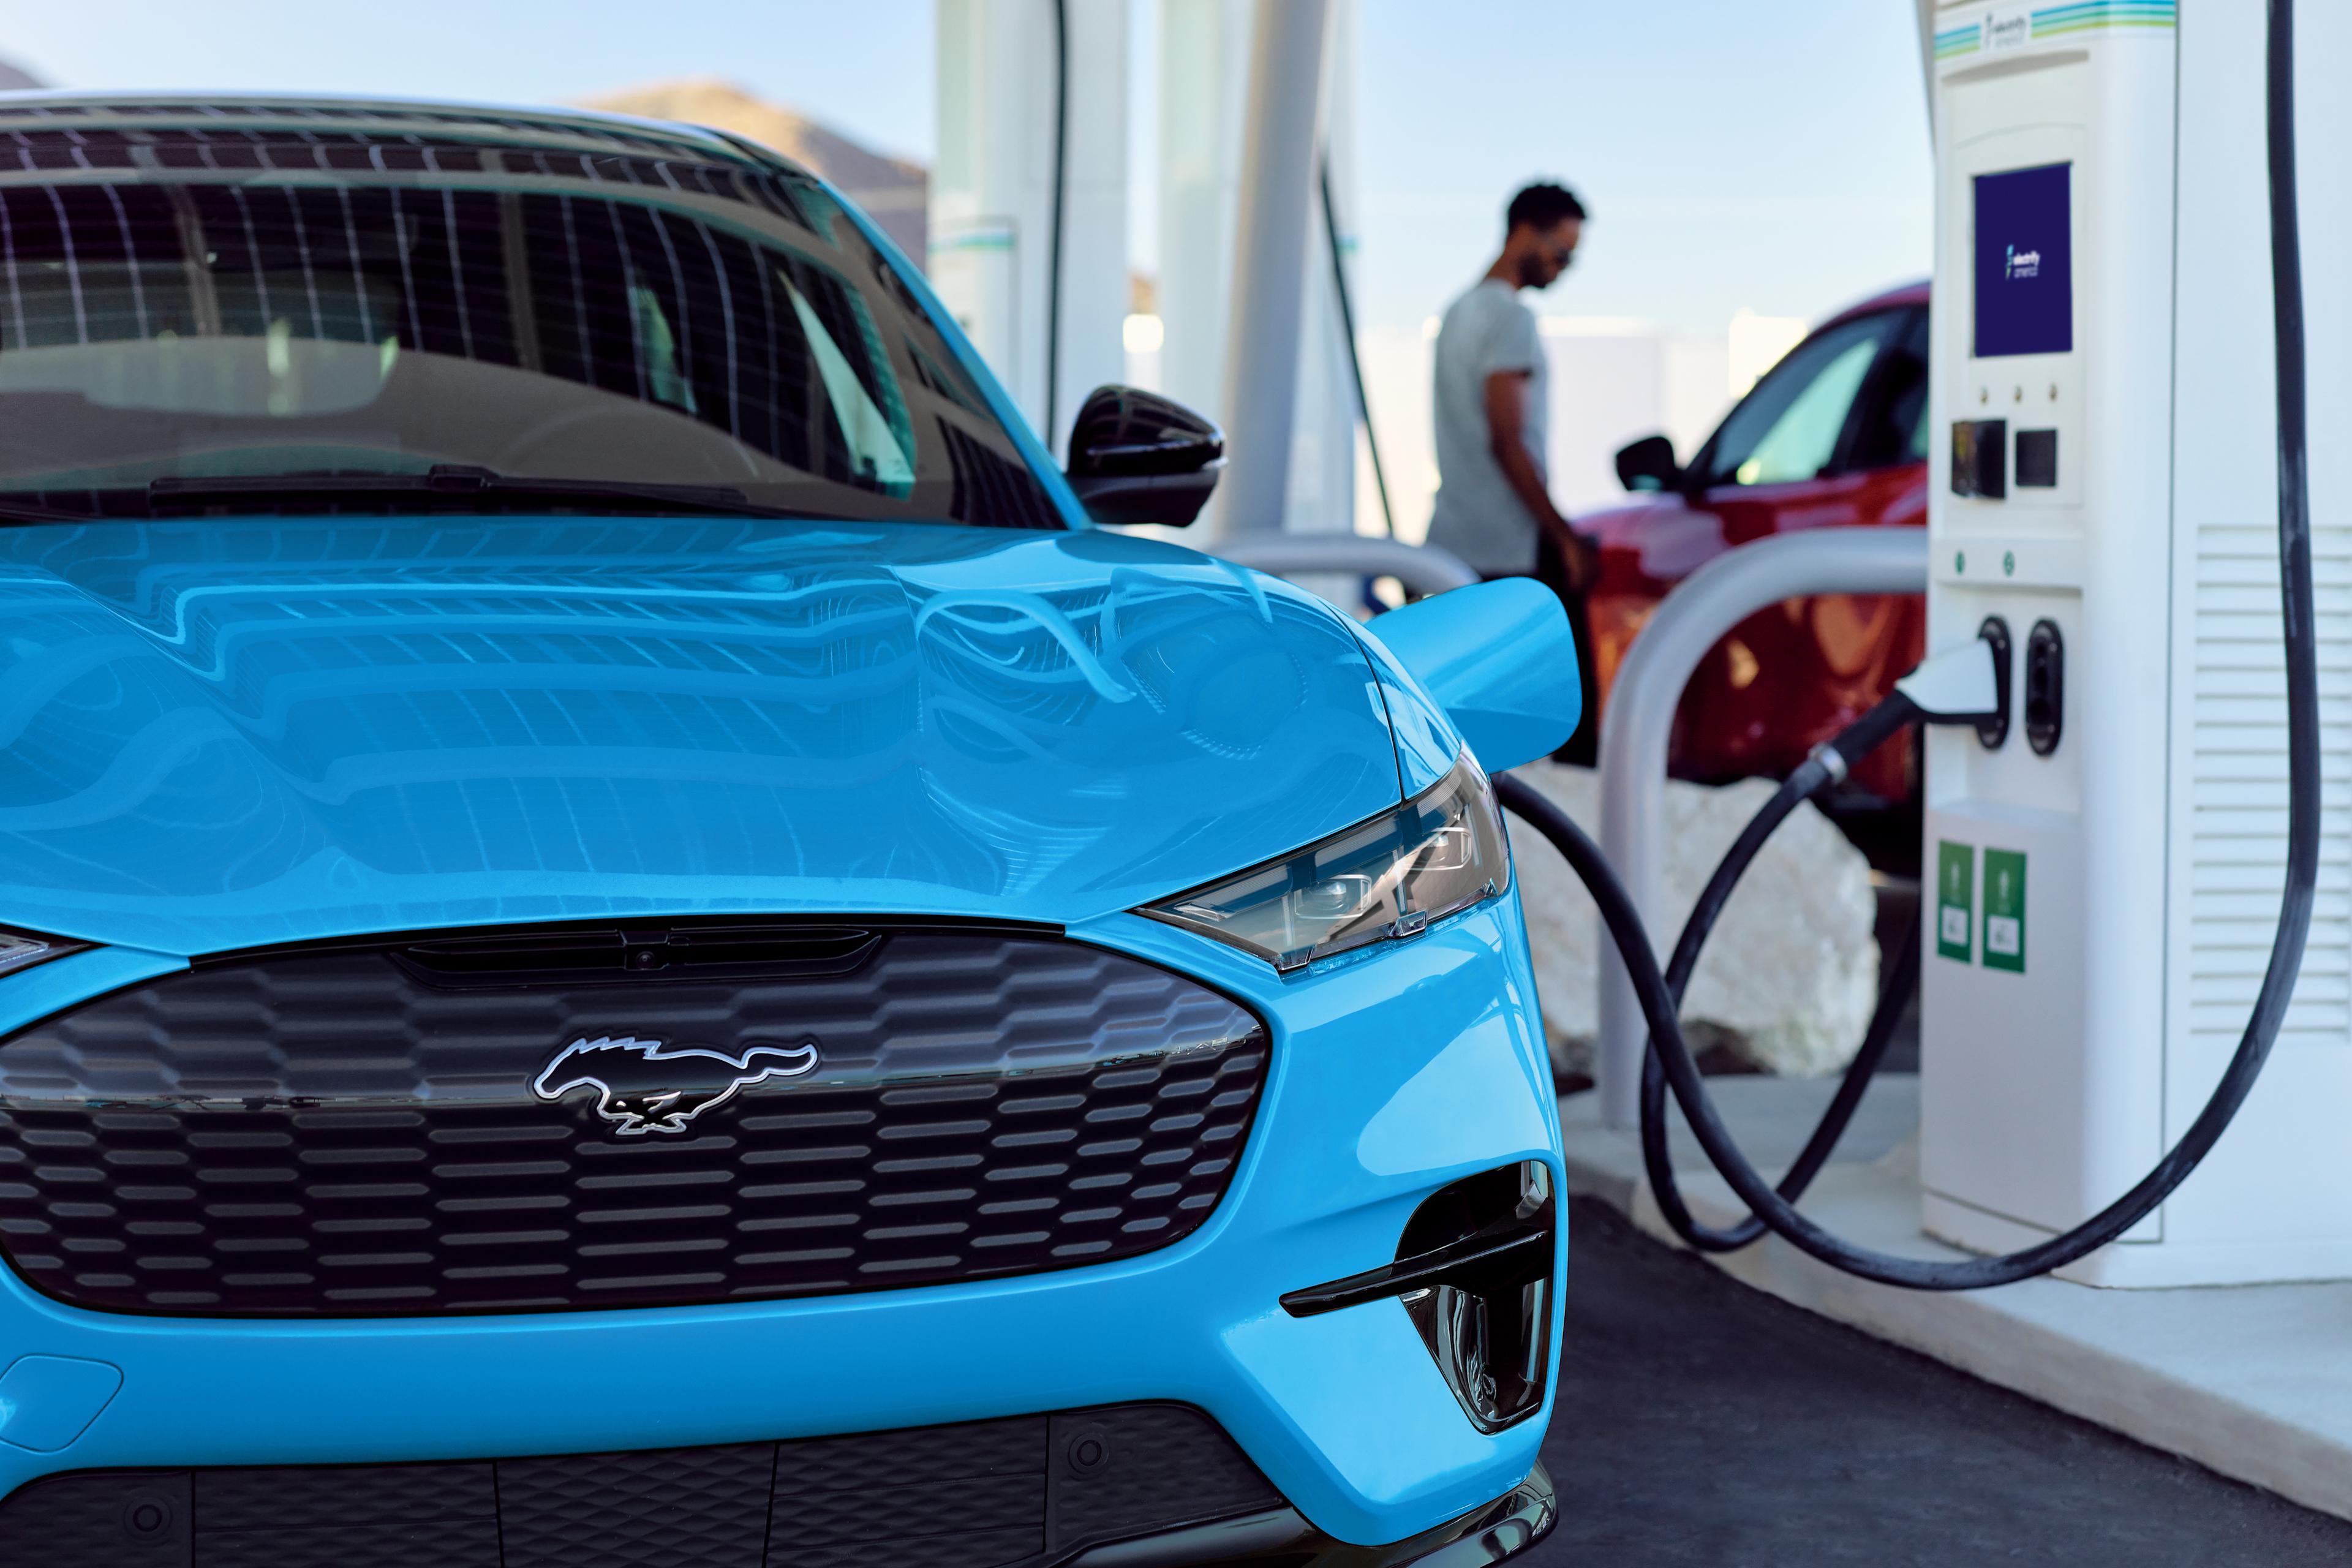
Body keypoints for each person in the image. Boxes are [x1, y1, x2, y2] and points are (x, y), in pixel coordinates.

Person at [1426, 181, 1602, 764]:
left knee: (1471, 739)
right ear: (1527, 231)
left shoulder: (1457, 312)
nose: (1565, 268)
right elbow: (1509, 441)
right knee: (1566, 737)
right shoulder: (1511, 318)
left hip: (1455, 538)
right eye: (1563, 251)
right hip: (1511, 548)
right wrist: (1563, 535)